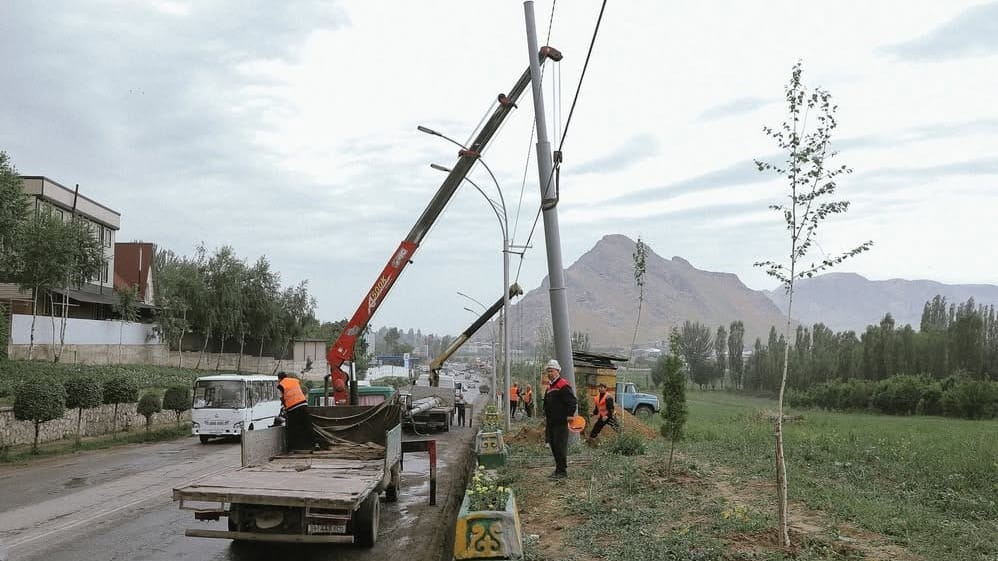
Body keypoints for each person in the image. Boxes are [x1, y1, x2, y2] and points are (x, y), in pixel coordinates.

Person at [542, 359, 577, 479]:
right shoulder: (550, 387)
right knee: (553, 445)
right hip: (551, 421)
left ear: (558, 371)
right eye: (548, 371)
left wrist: (570, 415)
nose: (549, 373)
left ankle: (562, 471)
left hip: (561, 421)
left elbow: (572, 401)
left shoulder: (563, 385)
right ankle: (558, 469)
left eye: (551, 371)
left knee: (559, 445)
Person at [277, 372, 313, 452]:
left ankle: (291, 448)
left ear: (279, 378)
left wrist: (285, 408)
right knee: (307, 425)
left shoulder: (281, 385)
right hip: (303, 404)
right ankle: (313, 444)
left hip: (292, 408)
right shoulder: (294, 381)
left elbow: (282, 398)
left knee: (291, 428)